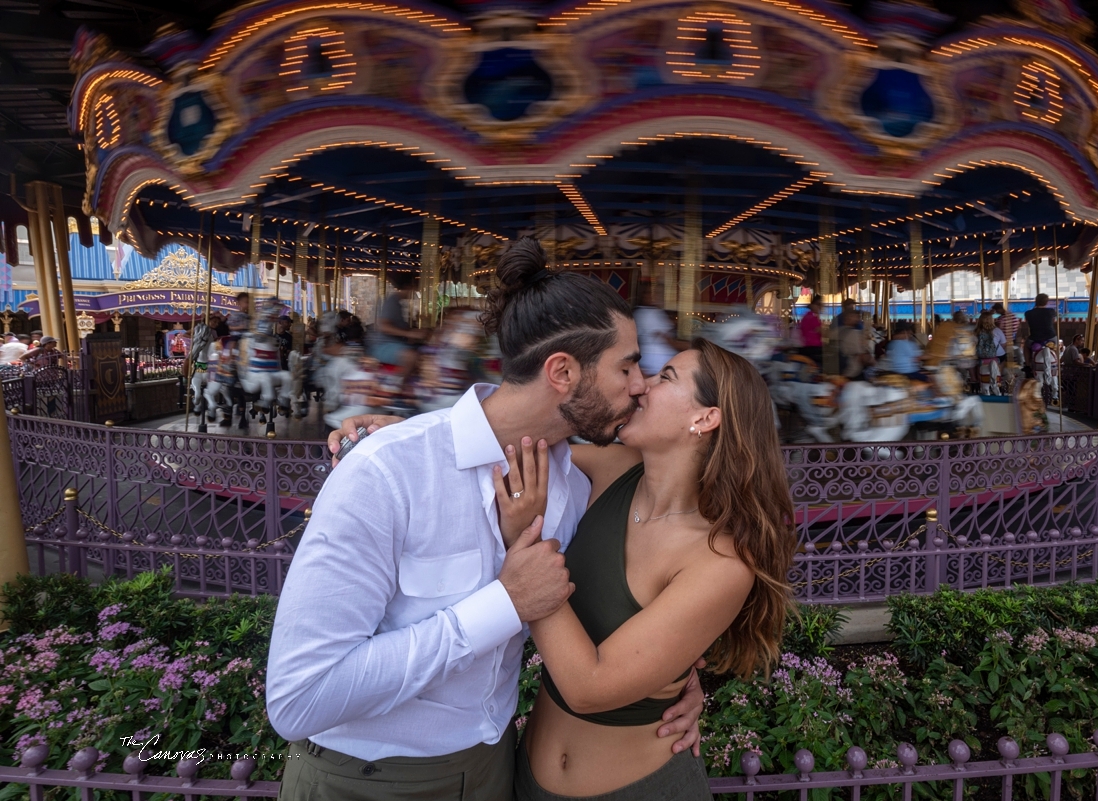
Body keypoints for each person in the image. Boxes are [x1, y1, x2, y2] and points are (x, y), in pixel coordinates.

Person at [269, 238, 703, 801]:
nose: (640, 384)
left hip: (496, 766)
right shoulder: (388, 472)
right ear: (563, 372)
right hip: (365, 779)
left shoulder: (574, 485)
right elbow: (298, 697)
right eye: (626, 367)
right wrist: (505, 604)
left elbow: (632, 600)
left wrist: (677, 682)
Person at [511, 338, 793, 800]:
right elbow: (502, 454)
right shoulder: (614, 469)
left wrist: (524, 549)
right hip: (526, 779)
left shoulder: (721, 561)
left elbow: (588, 687)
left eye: (665, 378)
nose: (640, 386)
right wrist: (400, 431)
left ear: (705, 418)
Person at [371, 272, 427, 372]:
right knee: (411, 356)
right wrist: (409, 334)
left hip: (397, 344)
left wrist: (415, 332)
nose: (414, 291)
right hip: (384, 345)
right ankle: (398, 380)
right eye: (414, 287)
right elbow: (384, 327)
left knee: (426, 354)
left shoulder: (398, 303)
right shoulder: (392, 301)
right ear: (408, 287)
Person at [633, 300, 684, 378]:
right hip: (656, 360)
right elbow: (666, 338)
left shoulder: (640, 312)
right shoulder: (651, 314)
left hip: (650, 359)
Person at [975, 310, 1006, 395]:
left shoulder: (976, 331)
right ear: (992, 320)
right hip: (997, 356)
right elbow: (1003, 344)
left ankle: (977, 379)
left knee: (975, 362)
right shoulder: (997, 330)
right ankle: (999, 379)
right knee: (1003, 358)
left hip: (981, 357)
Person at [838, 308, 874, 379]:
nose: (858, 319)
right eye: (857, 317)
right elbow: (862, 356)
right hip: (852, 372)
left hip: (838, 372)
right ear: (848, 318)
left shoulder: (836, 331)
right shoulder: (854, 333)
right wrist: (873, 362)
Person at [1024, 294, 1057, 364]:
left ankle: (1027, 364)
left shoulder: (1028, 313)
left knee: (1026, 346)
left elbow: (1028, 323)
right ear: (1046, 302)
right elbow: (1053, 321)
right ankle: (1057, 362)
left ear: (1036, 301)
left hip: (1035, 337)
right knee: (1056, 346)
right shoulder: (1051, 311)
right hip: (1050, 336)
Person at [796, 294, 823, 364]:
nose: (820, 307)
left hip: (807, 346)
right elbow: (821, 331)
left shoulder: (807, 316)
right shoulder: (812, 317)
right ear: (813, 305)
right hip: (813, 347)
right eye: (819, 305)